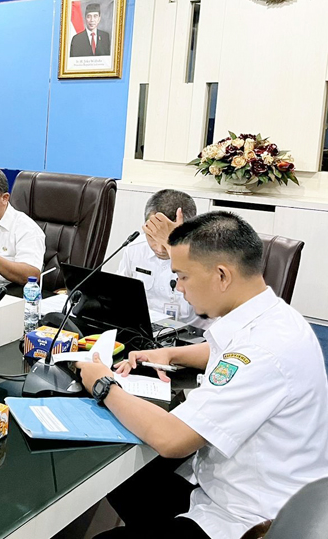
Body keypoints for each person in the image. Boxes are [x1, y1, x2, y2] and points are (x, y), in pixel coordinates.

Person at [75, 211, 328, 539]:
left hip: (244, 519)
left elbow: (172, 440)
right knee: (121, 479)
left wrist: (103, 384)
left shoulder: (265, 350)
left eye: (183, 276)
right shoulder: (273, 316)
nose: (178, 288)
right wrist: (171, 353)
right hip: (232, 484)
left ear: (221, 275)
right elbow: (227, 351)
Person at [117, 189, 207, 327]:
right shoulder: (135, 248)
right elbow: (120, 295)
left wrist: (174, 248)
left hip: (191, 334)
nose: (159, 249)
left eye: (168, 238)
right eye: (152, 236)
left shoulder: (207, 254)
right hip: (145, 329)